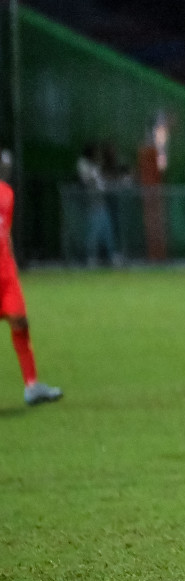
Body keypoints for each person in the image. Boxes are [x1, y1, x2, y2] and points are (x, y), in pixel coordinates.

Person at [0, 152, 61, 406]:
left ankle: (32, 386)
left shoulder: (7, 194)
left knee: (20, 322)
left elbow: (6, 231)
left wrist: (12, 262)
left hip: (5, 272)